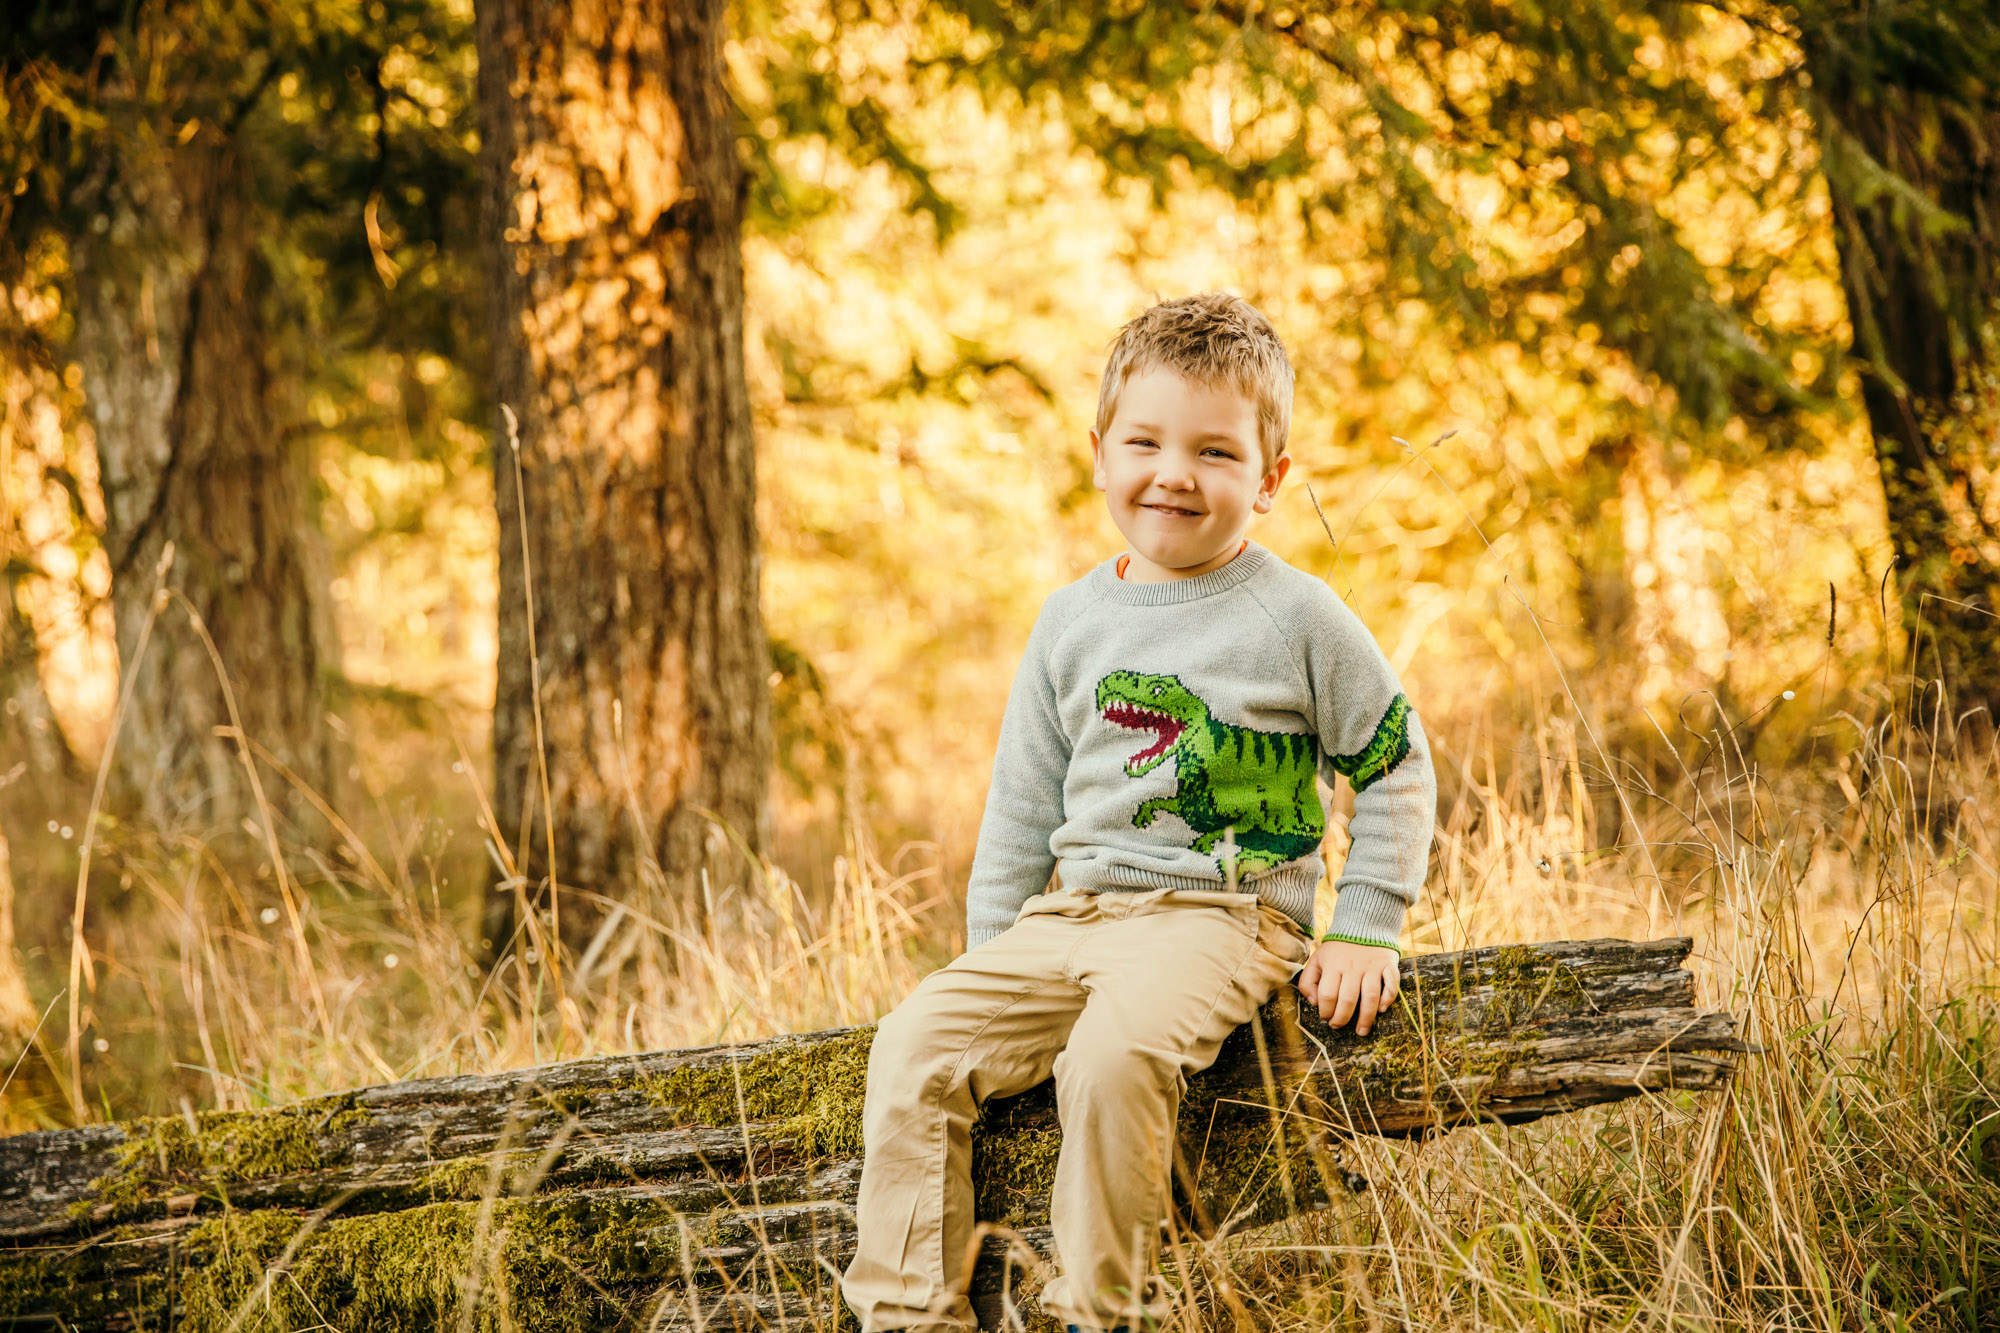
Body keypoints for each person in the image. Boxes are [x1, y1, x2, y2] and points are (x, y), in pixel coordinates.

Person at [839, 292, 1437, 1333]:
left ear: (1270, 477)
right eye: (1145, 441)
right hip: (1066, 921)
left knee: (1112, 1059)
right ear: (1100, 452)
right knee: (911, 1046)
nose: (1173, 473)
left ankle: (1096, 1310)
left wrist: (1364, 921)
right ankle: (904, 1314)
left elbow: (1393, 757)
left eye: (1214, 451)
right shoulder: (1070, 619)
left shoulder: (1294, 613)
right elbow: (1020, 807)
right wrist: (994, 965)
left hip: (1220, 916)